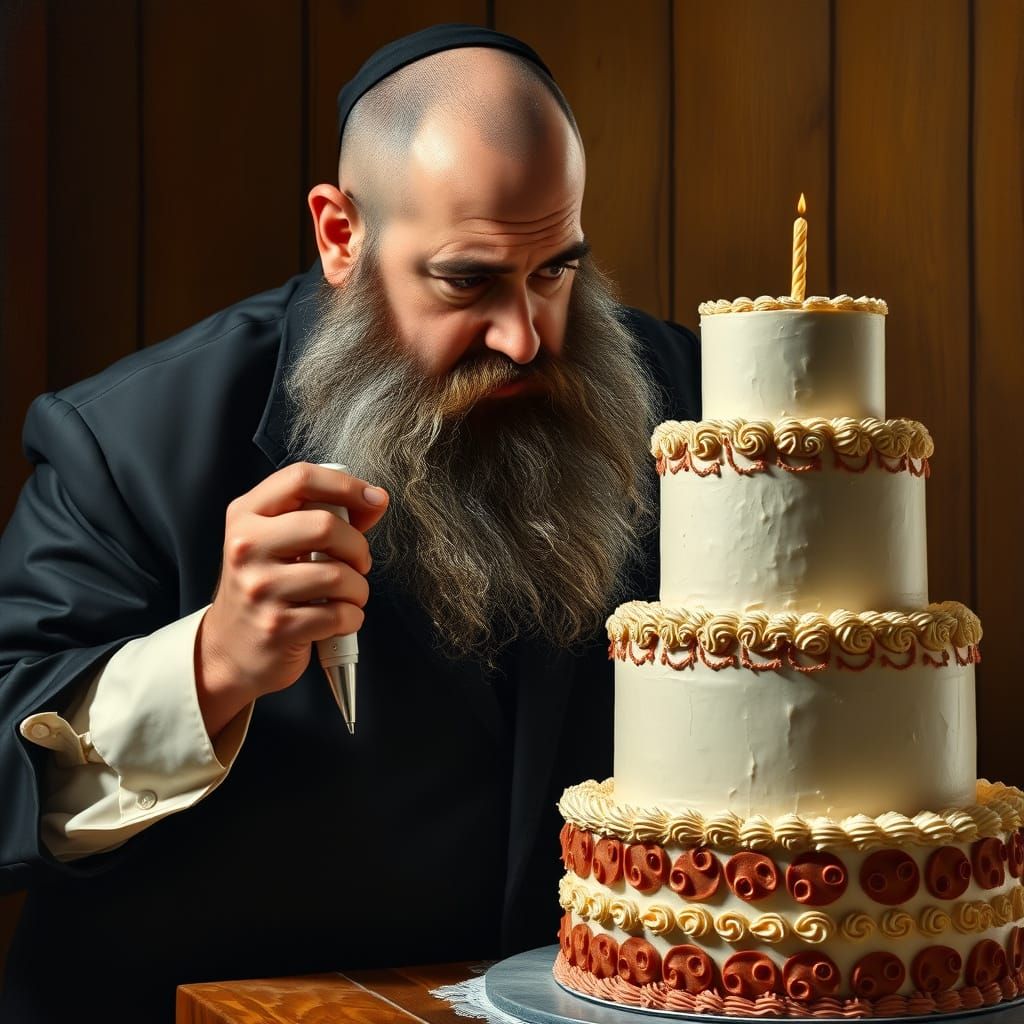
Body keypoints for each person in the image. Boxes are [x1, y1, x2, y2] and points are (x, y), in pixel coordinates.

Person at [0, 24, 699, 1022]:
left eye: (555, 270)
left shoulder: (690, 402)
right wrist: (212, 663)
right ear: (340, 235)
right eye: (467, 280)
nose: (525, 337)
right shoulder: (125, 441)